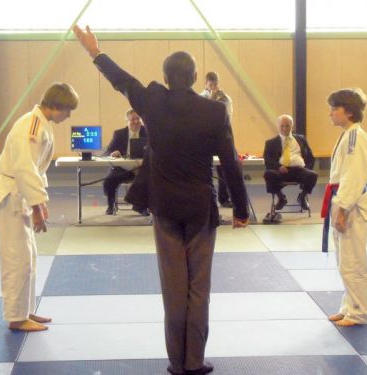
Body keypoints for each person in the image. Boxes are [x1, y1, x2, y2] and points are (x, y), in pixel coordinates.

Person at [73, 25, 249, 375]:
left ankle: (176, 364)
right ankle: (195, 361)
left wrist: (95, 52)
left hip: (165, 209)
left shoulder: (153, 101)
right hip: (201, 209)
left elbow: (122, 80)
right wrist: (241, 210)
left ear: (166, 78)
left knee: (173, 289)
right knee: (199, 288)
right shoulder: (215, 112)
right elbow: (230, 163)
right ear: (196, 77)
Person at [0, 83, 79, 332]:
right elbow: (25, 169)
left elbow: (36, 170)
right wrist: (37, 207)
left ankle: (26, 310)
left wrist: (41, 203)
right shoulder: (31, 126)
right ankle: (16, 317)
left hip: (20, 194)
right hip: (11, 195)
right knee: (17, 258)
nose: (68, 116)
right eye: (67, 110)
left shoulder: (40, 123)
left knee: (29, 256)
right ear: (56, 105)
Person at [321, 88, 367, 327]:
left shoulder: (357, 138)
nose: (330, 114)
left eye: (334, 108)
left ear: (348, 111)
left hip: (353, 206)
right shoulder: (349, 135)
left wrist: (343, 209)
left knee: (354, 261)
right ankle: (349, 306)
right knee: (345, 260)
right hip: (343, 201)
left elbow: (353, 177)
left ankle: (358, 312)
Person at [263, 114, 317, 210]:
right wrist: (278, 167)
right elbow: (268, 160)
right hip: (281, 171)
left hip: (299, 170)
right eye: (282, 126)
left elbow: (310, 157)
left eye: (287, 126)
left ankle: (302, 197)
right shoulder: (270, 142)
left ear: (292, 126)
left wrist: (306, 168)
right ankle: (281, 198)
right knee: (268, 174)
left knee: (313, 175)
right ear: (278, 126)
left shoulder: (301, 139)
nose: (284, 128)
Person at [102, 108, 147, 215]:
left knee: (148, 180)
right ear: (127, 122)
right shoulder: (119, 134)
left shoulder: (148, 132)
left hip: (142, 168)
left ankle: (142, 206)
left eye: (138, 119)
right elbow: (107, 151)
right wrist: (113, 153)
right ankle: (110, 205)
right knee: (108, 181)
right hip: (122, 168)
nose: (136, 121)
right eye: (132, 119)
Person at [200, 71, 234, 208]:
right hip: (205, 137)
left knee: (223, 168)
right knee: (205, 167)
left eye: (215, 84)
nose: (214, 86)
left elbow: (228, 116)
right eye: (211, 84)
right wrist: (211, 98)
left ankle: (224, 198)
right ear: (206, 83)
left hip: (220, 135)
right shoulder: (200, 97)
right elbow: (200, 116)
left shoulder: (225, 98)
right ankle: (206, 198)